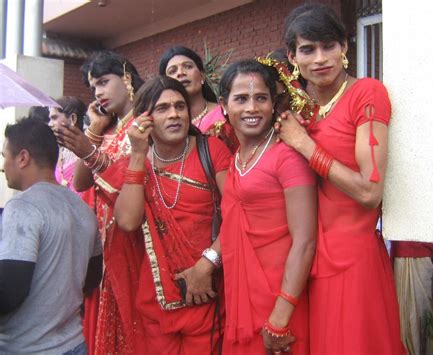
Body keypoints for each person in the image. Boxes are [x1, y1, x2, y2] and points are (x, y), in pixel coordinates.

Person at [277, 3, 406, 354]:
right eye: (308, 49)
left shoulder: (365, 93)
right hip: (307, 260)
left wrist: (304, 145)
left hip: (353, 260)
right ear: (292, 56)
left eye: (329, 45)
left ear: (345, 47)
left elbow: (370, 191)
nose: (320, 58)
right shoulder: (296, 108)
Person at [100, 76, 231, 354]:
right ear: (144, 119)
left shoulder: (212, 150)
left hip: (206, 294)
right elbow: (127, 221)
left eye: (180, 106)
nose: (174, 114)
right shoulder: (136, 162)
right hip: (156, 304)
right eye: (162, 109)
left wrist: (206, 265)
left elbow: (237, 214)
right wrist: (137, 155)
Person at [218, 59, 317, 354]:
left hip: (280, 303)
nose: (251, 108)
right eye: (241, 99)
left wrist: (280, 317)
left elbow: (305, 240)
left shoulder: (287, 157)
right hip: (241, 298)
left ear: (274, 103)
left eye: (261, 98)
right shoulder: (237, 157)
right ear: (223, 105)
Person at [53, 50, 145, 354]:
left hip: (138, 237)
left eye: (104, 82)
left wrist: (89, 150)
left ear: (127, 77)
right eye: (94, 88)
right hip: (107, 241)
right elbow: (82, 182)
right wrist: (92, 130)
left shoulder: (145, 123)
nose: (99, 92)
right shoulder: (105, 129)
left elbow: (136, 179)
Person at [0, 118, 102, 354]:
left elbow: (10, 291)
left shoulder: (23, 206)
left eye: (5, 155)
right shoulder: (83, 211)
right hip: (74, 343)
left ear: (23, 158)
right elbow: (92, 278)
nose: (3, 166)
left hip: (27, 347)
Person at [159, 45, 239, 152]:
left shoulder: (226, 113)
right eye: (172, 71)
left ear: (202, 76)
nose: (180, 73)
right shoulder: (164, 125)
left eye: (188, 66)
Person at [49, 96, 87, 192]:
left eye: (54, 118)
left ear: (72, 119)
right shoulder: (59, 152)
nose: (50, 124)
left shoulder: (89, 152)